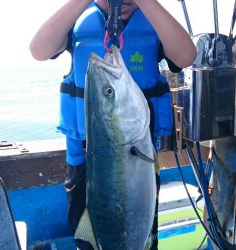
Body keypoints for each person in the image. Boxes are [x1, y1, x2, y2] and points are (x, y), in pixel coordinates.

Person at [30, 0, 197, 249]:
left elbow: (186, 55)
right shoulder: (77, 22)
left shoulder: (153, 22)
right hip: (84, 167)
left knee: (140, 235)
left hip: (137, 164)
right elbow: (39, 50)